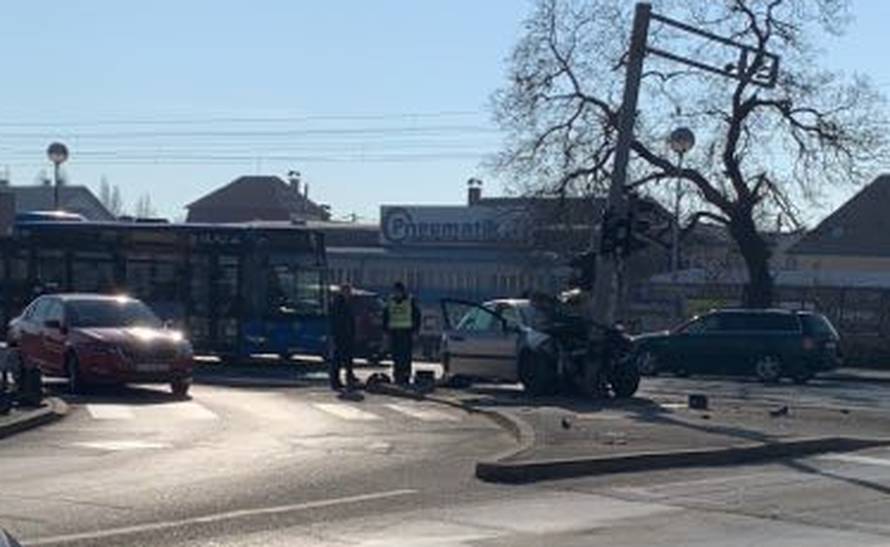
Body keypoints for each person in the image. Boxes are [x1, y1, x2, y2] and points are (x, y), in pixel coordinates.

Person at [383, 281, 421, 386]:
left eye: (398, 291)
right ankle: (397, 377)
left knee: (406, 356)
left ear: (403, 292)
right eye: (395, 291)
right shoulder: (390, 301)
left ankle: (405, 377)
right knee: (396, 356)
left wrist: (415, 332)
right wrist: (385, 332)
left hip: (406, 332)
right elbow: (385, 317)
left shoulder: (410, 301)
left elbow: (417, 316)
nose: (397, 293)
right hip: (394, 332)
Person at [329, 283, 358, 390]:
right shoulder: (338, 303)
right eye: (347, 291)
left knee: (348, 358)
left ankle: (349, 377)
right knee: (338, 358)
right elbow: (337, 320)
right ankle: (335, 380)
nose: (349, 294)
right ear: (342, 292)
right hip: (340, 335)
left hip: (347, 335)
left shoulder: (347, 302)